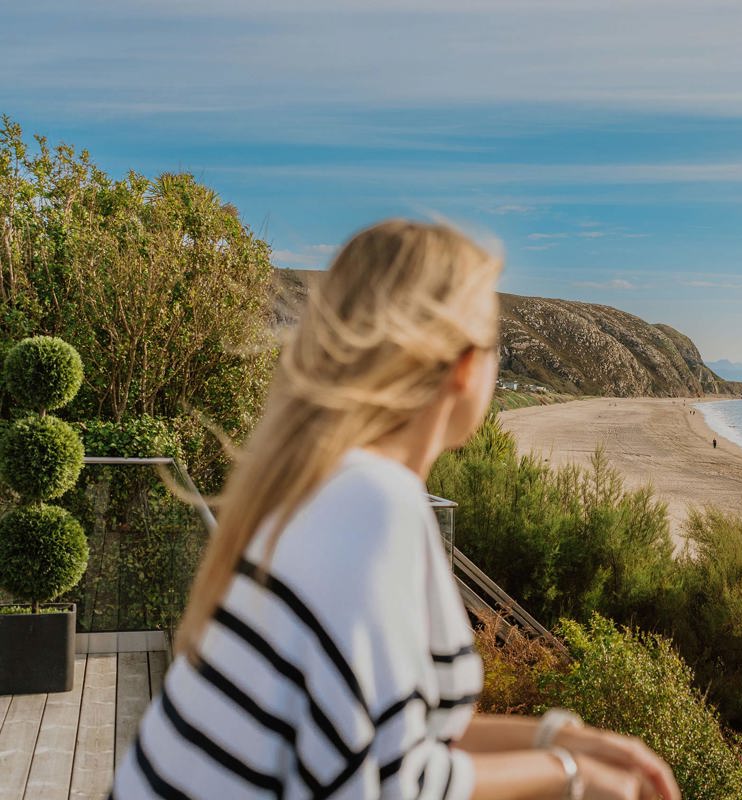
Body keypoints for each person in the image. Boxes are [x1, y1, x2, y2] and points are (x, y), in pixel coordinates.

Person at [112, 221, 679, 800]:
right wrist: (572, 778)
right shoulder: (371, 504)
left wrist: (557, 738)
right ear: (464, 366)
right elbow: (393, 785)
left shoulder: (324, 489)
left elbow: (397, 738)